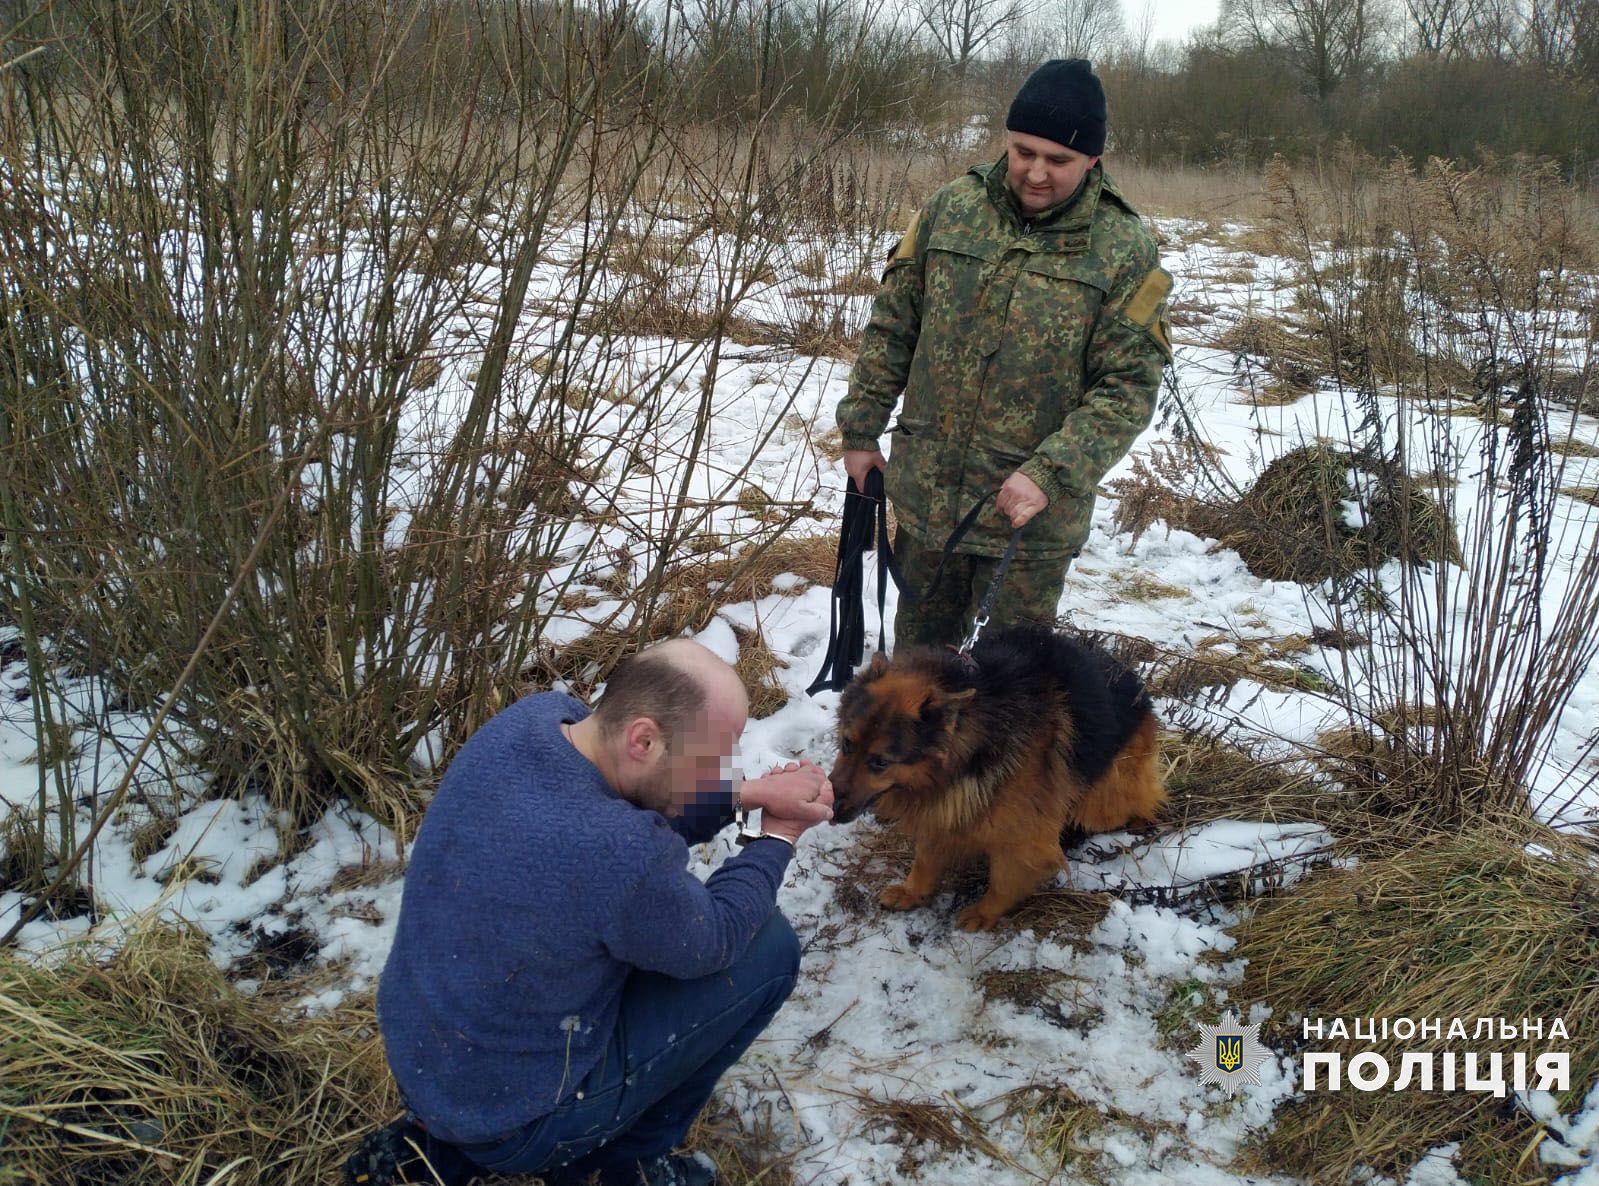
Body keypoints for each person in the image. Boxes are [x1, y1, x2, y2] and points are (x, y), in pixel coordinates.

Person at [361, 639, 834, 1186]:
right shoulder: (619, 853)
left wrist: (749, 793)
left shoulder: (536, 720)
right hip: (515, 1121)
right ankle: (619, 1166)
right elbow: (717, 937)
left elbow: (626, 809)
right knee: (768, 950)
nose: (721, 772)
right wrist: (778, 836)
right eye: (710, 761)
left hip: (427, 1061)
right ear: (644, 739)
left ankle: (438, 1152)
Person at [836, 58, 1174, 650]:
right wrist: (861, 431)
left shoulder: (1125, 248)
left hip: (1028, 523)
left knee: (1007, 698)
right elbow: (893, 327)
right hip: (930, 502)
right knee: (918, 683)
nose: (1036, 172)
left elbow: (1127, 388)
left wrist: (1049, 473)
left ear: (1093, 159)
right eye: (1024, 152)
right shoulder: (951, 209)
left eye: (1059, 160)